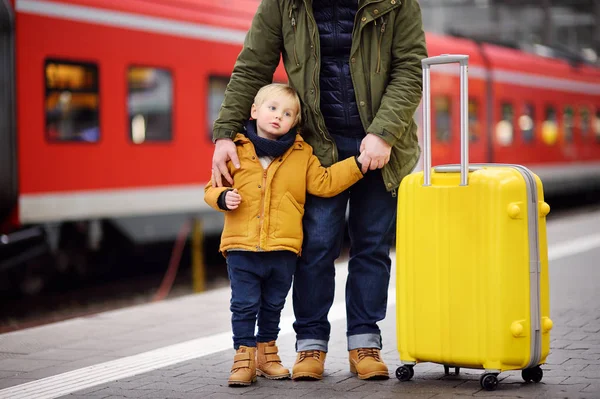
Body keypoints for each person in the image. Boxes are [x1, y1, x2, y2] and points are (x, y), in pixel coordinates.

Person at [211, 0, 427, 381]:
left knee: (371, 247)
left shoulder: (397, 2)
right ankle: (311, 344)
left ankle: (365, 342)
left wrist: (383, 133)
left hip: (380, 146)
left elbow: (410, 69)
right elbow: (253, 65)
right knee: (315, 247)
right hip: (316, 146)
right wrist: (226, 132)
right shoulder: (284, 4)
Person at [204, 83, 366, 387]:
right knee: (244, 304)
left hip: (283, 249)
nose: (279, 116)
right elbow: (210, 189)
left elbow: (326, 183)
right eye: (273, 108)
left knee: (272, 305)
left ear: (295, 122)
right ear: (254, 111)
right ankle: (243, 357)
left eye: (288, 113)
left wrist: (358, 165)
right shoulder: (236, 150)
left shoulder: (301, 154)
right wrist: (223, 198)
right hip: (242, 247)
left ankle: (267, 354)